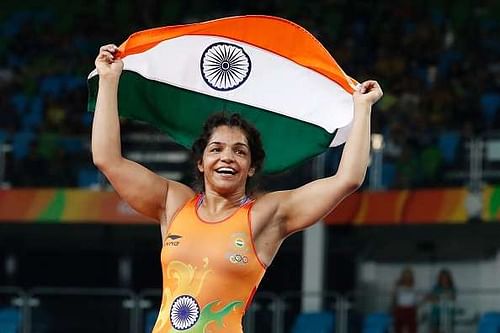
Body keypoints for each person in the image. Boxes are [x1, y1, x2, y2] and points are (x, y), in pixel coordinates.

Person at [92, 44, 383, 333]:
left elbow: (348, 179)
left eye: (240, 151)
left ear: (252, 167)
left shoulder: (265, 215)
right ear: (201, 163)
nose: (227, 157)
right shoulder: (174, 203)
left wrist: (362, 109)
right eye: (216, 149)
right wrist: (108, 79)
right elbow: (107, 159)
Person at [427, 269, 457, 333]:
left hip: (448, 316)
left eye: (446, 277)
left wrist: (440, 297)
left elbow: (453, 298)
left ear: (449, 278)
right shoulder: (436, 287)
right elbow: (431, 298)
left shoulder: (452, 288)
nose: (444, 279)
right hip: (436, 316)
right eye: (442, 277)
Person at [392, 267, 418, 333]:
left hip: (411, 309)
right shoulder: (399, 287)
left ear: (411, 277)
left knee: (412, 328)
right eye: (405, 276)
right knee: (398, 328)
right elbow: (394, 298)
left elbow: (416, 300)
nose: (407, 278)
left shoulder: (414, 287)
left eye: (408, 276)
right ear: (402, 277)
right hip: (400, 309)